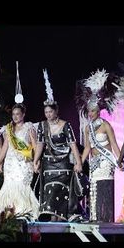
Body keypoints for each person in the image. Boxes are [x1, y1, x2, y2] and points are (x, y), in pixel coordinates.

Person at [33, 72, 83, 221]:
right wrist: (36, 161)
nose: (48, 114)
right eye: (46, 112)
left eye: (50, 111)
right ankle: (53, 226)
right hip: (48, 164)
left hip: (64, 164)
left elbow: (73, 144)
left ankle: (61, 225)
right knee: (50, 193)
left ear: (56, 111)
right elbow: (40, 144)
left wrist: (78, 162)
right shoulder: (42, 126)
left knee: (61, 193)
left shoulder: (65, 125)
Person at [76, 69, 121, 223]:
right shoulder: (88, 127)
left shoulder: (106, 125)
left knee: (105, 188)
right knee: (94, 189)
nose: (90, 114)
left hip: (106, 161)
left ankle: (106, 218)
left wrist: (119, 159)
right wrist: (80, 162)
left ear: (98, 111)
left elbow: (114, 144)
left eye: (93, 111)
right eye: (89, 111)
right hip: (94, 162)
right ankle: (95, 218)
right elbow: (87, 147)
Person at [0, 103, 39, 219]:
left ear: (23, 114)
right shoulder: (9, 129)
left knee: (22, 186)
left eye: (18, 114)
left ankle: (23, 211)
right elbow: (4, 147)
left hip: (24, 162)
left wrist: (36, 161)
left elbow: (35, 145)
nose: (15, 117)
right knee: (8, 186)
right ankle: (7, 212)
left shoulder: (29, 127)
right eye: (13, 114)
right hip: (10, 163)